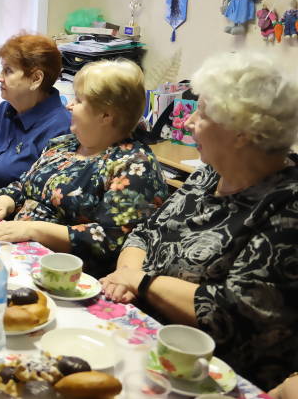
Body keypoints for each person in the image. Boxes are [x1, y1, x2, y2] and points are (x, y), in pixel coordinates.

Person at [100, 51, 298, 390]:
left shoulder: (287, 206)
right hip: (143, 332)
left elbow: (232, 311)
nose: (188, 122)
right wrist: (126, 277)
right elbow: (145, 233)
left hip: (207, 376)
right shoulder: (209, 173)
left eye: (202, 112)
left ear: (241, 132)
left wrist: (140, 282)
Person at [0, 59, 167, 276]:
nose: (69, 106)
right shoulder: (64, 144)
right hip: (20, 252)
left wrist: (32, 229)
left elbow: (110, 240)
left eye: (79, 100)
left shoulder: (134, 165)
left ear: (106, 115)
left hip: (66, 274)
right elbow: (26, 183)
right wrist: (5, 200)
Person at [0, 33, 71, 200]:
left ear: (36, 79)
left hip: (12, 213)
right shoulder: (5, 109)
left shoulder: (62, 128)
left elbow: (42, 197)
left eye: (8, 71)